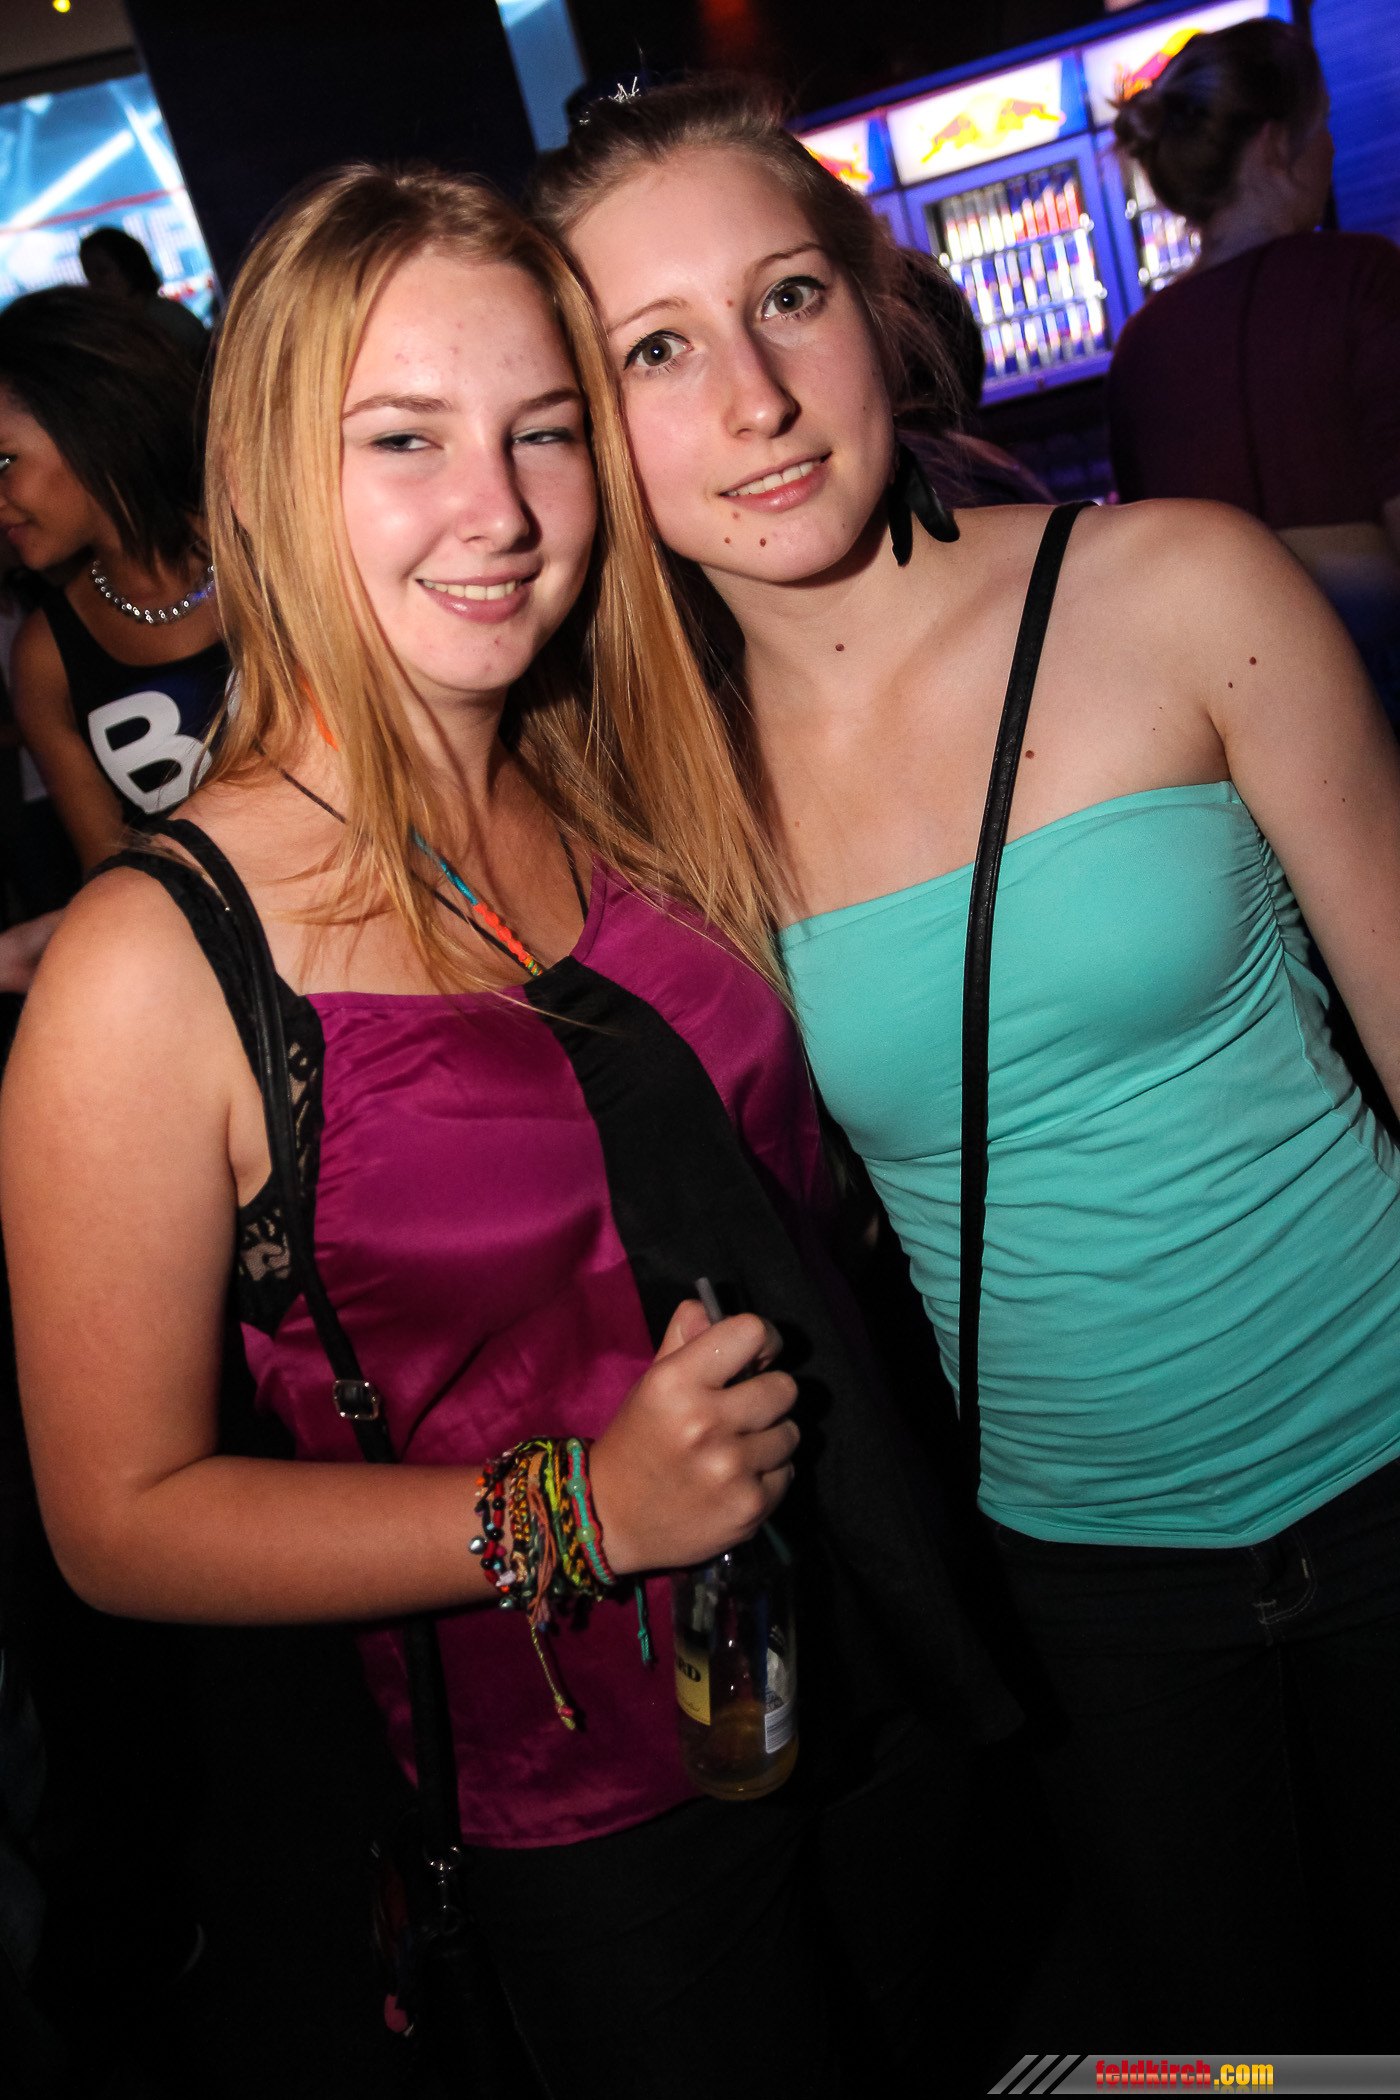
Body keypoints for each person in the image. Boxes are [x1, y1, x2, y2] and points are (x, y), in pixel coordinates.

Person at [1, 164, 1011, 2096]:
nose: (501, 509)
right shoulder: (157, 965)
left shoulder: (623, 780)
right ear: (264, 480)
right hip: (608, 1814)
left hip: (885, 1648)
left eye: (544, 430)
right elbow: (118, 1521)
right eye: (406, 439)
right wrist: (581, 1509)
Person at [531, 79, 1400, 2041]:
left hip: (1391, 1456)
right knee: (1243, 2060)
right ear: (584, 430)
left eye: (785, 299)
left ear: (874, 304)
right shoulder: (649, 820)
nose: (754, 399)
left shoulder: (1179, 586)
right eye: (655, 350)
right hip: (1085, 1584)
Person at [1106, 17, 1400, 725]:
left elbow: (1155, 588)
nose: (1329, 146)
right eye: (1321, 122)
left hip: (1246, 726)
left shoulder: (1140, 346)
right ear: (1273, 145)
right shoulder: (1362, 278)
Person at [0, 288, 228, 958]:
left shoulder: (271, 553)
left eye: (3, 461)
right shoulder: (46, 657)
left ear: (88, 422)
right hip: (231, 977)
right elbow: (115, 880)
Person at [78, 224, 211, 367]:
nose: (93, 284)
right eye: (88, 276)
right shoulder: (111, 330)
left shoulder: (170, 319)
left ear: (128, 266)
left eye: (102, 271)